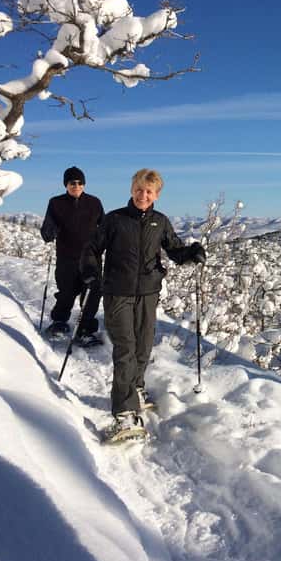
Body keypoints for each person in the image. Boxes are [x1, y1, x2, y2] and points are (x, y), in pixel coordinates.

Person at [81, 169, 205, 437]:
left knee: (143, 344)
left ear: (156, 195)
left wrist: (191, 252)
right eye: (139, 189)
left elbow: (174, 250)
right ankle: (124, 413)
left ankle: (135, 386)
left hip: (148, 293)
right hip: (117, 292)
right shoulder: (114, 220)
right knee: (125, 348)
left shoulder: (159, 222)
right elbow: (91, 249)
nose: (143, 195)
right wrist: (91, 271)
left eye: (149, 191)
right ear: (132, 190)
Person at [40, 166, 104, 342]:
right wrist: (49, 232)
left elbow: (104, 227)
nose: (76, 185)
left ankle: (85, 330)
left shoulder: (94, 202)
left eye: (80, 182)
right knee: (66, 293)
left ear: (84, 184)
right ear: (66, 184)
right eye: (72, 182)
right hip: (66, 257)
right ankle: (59, 323)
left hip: (91, 259)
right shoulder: (56, 202)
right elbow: (47, 227)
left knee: (92, 294)